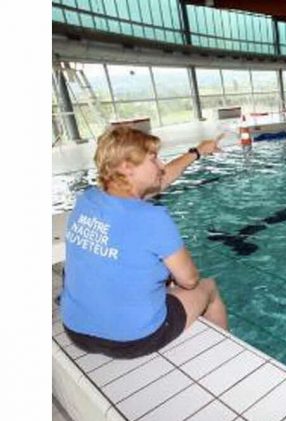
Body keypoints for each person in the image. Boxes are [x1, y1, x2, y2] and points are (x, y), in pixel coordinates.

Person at [60, 126, 228, 359]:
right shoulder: (151, 217)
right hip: (132, 340)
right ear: (126, 167)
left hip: (75, 330)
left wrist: (197, 152)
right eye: (153, 159)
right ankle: (224, 356)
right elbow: (189, 281)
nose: (161, 165)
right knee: (207, 287)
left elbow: (161, 179)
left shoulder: (87, 199)